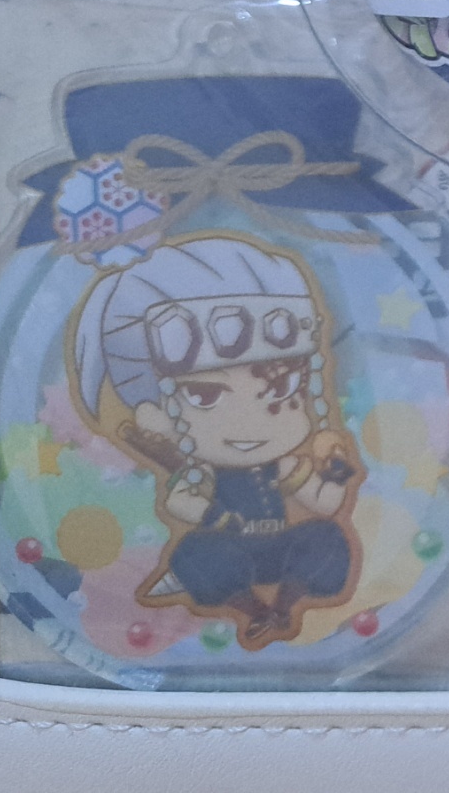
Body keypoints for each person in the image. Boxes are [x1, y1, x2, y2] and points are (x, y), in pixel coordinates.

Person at [70, 236, 360, 648]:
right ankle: (254, 611)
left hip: (280, 550)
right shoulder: (200, 472)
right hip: (231, 554)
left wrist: (333, 475)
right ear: (155, 415)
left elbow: (325, 505)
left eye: (282, 389)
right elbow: (179, 504)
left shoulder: (281, 466)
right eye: (204, 396)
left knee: (326, 539)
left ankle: (284, 604)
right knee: (195, 554)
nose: (250, 421)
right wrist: (212, 515)